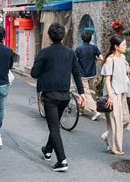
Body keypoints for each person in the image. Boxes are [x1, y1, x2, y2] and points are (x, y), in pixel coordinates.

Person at [31, 23, 86, 172]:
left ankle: (62, 160)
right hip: (65, 96)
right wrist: (82, 93)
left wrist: (45, 70)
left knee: (54, 128)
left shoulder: (44, 52)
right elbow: (76, 73)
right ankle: (47, 150)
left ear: (49, 35)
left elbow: (34, 73)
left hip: (50, 95)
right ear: (62, 36)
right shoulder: (70, 53)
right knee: (54, 125)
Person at [101, 35, 130, 155]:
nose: (126, 47)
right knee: (115, 121)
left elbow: (123, 72)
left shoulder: (123, 57)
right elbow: (107, 79)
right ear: (116, 47)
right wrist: (110, 96)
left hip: (122, 93)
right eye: (124, 45)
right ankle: (114, 147)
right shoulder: (110, 60)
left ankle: (108, 136)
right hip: (113, 93)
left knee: (125, 119)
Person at [75, 31, 104, 120]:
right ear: (90, 38)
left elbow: (74, 60)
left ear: (82, 38)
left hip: (82, 74)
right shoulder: (94, 47)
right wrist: (95, 58)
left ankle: (95, 111)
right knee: (84, 91)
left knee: (86, 93)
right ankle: (81, 109)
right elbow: (102, 58)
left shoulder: (79, 48)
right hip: (92, 74)